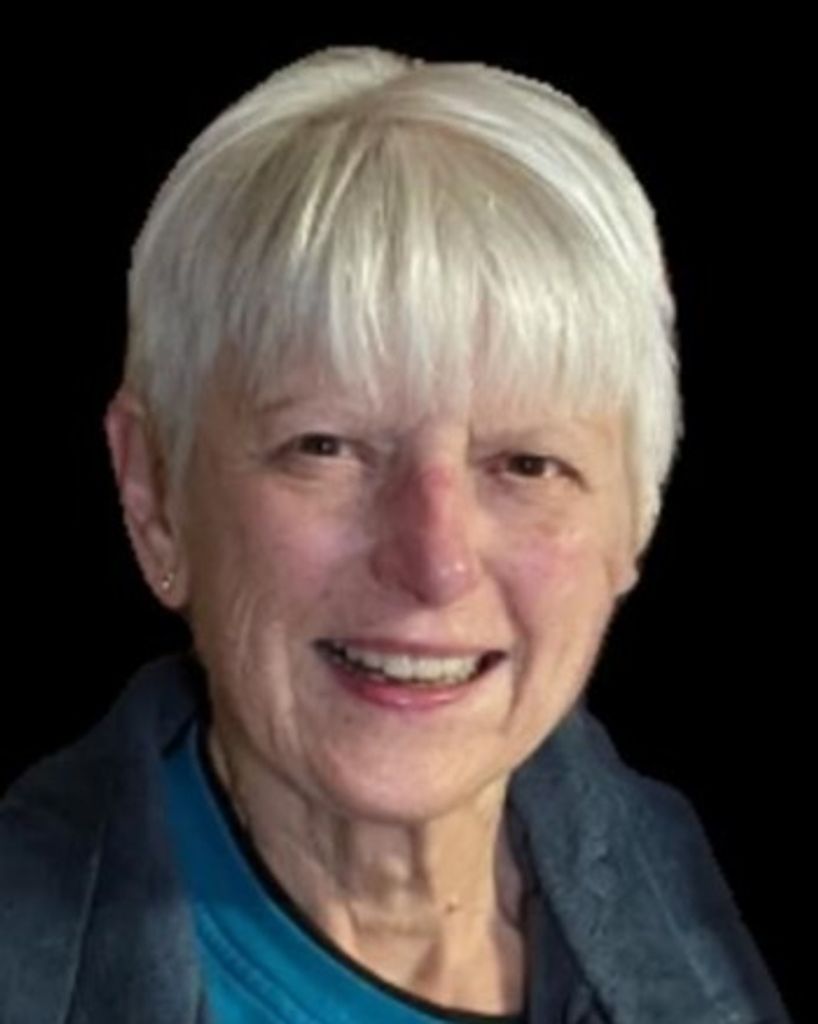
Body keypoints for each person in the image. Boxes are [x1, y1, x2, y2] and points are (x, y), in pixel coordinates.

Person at [0, 46, 790, 1023]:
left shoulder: (699, 897)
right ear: (154, 493)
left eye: (526, 464)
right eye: (325, 447)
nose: (435, 560)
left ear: (638, 511)